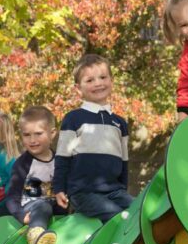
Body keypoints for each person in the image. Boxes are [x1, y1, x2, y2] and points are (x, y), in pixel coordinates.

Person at [53, 54, 133, 223]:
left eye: (103, 77)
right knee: (117, 217)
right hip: (83, 192)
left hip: (115, 191)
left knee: (138, 211)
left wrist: (123, 190)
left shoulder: (120, 123)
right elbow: (62, 157)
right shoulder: (73, 119)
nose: (98, 83)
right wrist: (59, 188)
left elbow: (124, 162)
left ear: (111, 81)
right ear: (78, 88)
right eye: (90, 80)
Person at [6, 106, 66, 244]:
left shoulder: (60, 161)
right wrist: (20, 214)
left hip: (53, 208)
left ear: (52, 133)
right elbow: (11, 196)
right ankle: (35, 237)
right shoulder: (23, 164)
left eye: (38, 134)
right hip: (31, 208)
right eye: (27, 135)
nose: (32, 140)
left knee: (56, 207)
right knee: (43, 206)